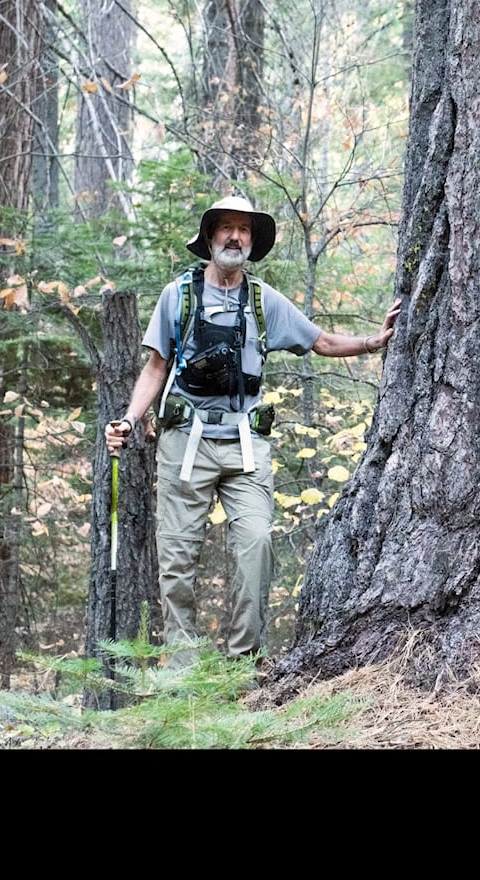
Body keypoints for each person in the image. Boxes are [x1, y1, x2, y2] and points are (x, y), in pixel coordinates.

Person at [104, 195, 401, 665]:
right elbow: (156, 367)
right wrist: (130, 417)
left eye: (244, 229)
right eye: (226, 227)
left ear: (252, 242)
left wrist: (373, 341)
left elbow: (320, 340)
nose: (235, 236)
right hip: (186, 442)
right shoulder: (178, 296)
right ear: (209, 238)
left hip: (246, 445)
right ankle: (185, 674)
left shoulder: (263, 301)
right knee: (177, 564)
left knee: (256, 546)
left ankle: (242, 665)